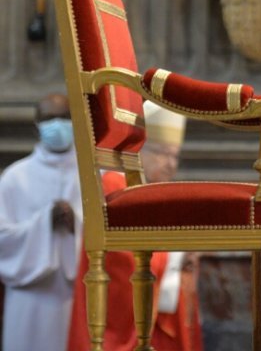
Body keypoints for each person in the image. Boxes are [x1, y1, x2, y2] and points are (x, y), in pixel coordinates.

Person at [67, 102, 204, 351]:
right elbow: (121, 259)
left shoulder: (152, 191)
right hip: (119, 317)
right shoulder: (113, 187)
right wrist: (178, 254)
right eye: (162, 152)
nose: (170, 163)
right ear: (138, 151)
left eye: (175, 155)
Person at [0, 93, 82, 351]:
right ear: (37, 123)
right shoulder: (15, 177)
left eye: (64, 118)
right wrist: (44, 222)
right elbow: (2, 239)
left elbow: (111, 234)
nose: (57, 125)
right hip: (29, 297)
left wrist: (76, 224)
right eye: (49, 118)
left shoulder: (93, 176)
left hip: (75, 297)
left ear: (76, 120)